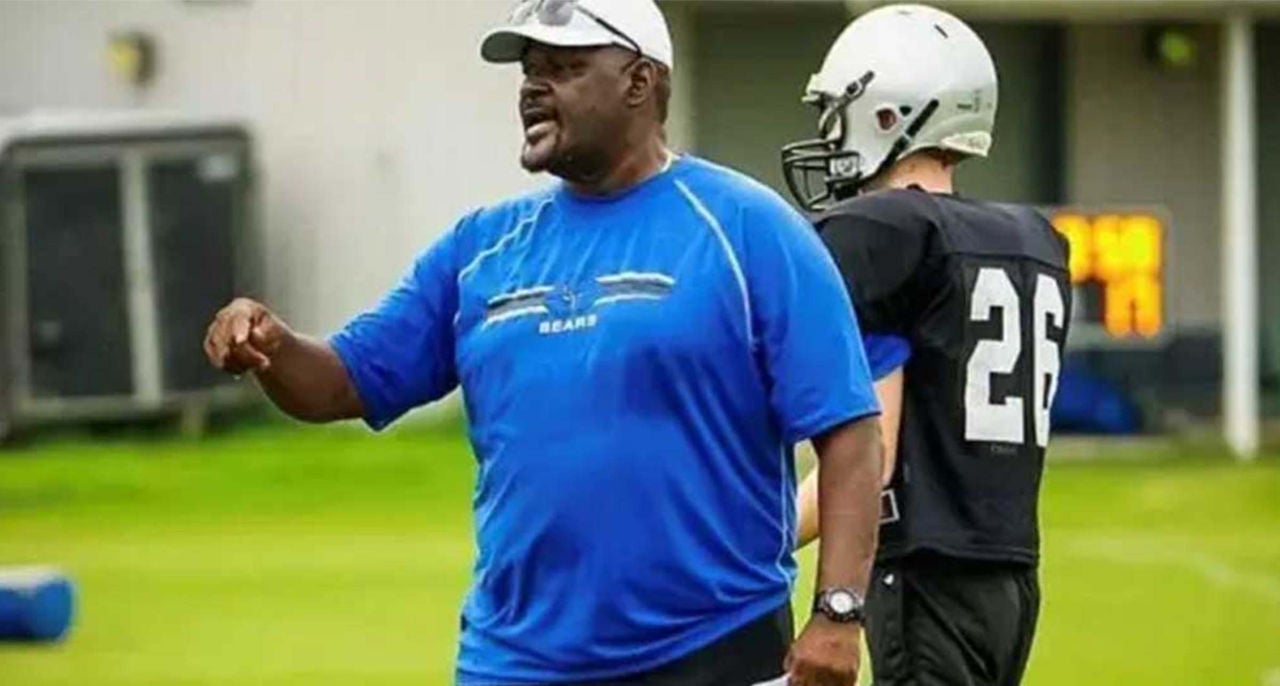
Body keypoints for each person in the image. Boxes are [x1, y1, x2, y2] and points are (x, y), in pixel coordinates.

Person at [204, 1, 884, 684]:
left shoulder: (748, 227)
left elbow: (850, 429)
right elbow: (341, 382)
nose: (533, 87)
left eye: (564, 68)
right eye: (529, 70)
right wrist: (273, 346)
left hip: (712, 648)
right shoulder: (481, 248)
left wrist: (838, 611)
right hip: (513, 662)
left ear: (639, 82)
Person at [784, 5, 1072, 686]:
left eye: (836, 114)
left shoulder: (888, 230)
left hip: (925, 575)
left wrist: (746, 538)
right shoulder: (1031, 238)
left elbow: (870, 455)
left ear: (887, 113)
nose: (828, 134)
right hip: (1009, 580)